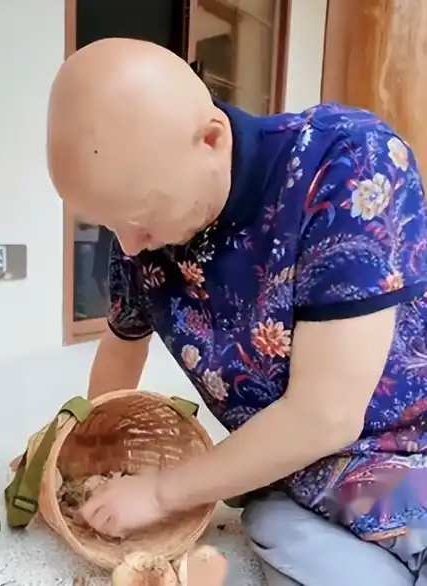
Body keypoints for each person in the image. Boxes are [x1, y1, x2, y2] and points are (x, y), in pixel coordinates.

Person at [46, 37, 427, 585]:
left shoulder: (345, 163)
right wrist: (79, 452)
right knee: (265, 520)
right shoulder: (139, 239)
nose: (128, 245)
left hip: (405, 448)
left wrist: (161, 492)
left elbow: (326, 415)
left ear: (211, 140)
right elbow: (122, 345)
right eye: (109, 224)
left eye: (143, 218)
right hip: (296, 479)